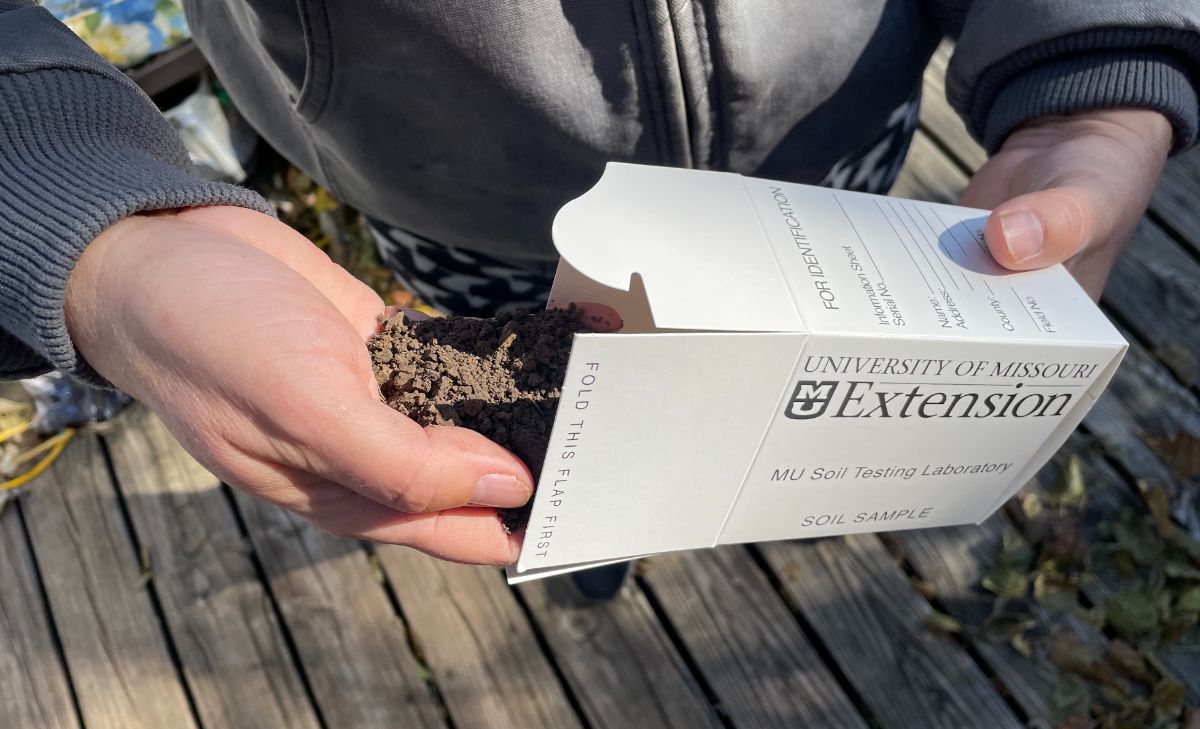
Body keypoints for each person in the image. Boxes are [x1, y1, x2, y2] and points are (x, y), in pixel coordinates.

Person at [0, 2, 1196, 588]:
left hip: (829, 181)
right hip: (451, 190)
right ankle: (584, 545)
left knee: (776, 396)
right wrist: (83, 208)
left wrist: (1090, 56)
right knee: (508, 423)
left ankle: (753, 495)